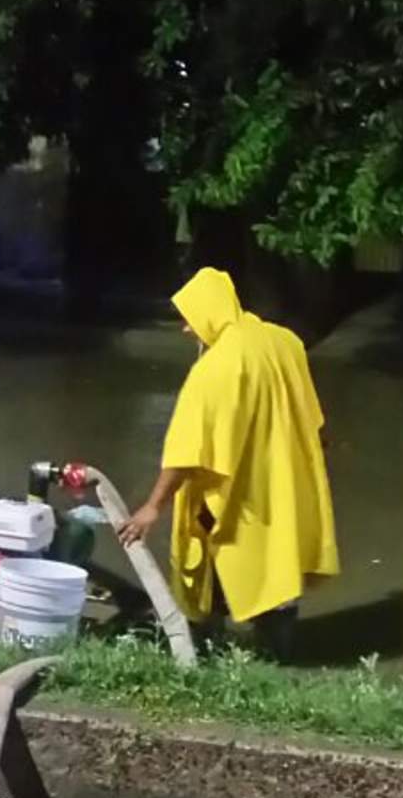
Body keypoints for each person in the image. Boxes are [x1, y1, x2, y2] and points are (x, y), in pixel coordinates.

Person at [119, 267, 339, 654]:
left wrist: (153, 507)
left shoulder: (215, 368)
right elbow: (313, 421)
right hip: (283, 489)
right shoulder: (284, 342)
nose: (186, 329)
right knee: (278, 571)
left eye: (189, 319)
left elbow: (187, 451)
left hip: (237, 499)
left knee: (216, 577)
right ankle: (278, 657)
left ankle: (207, 655)